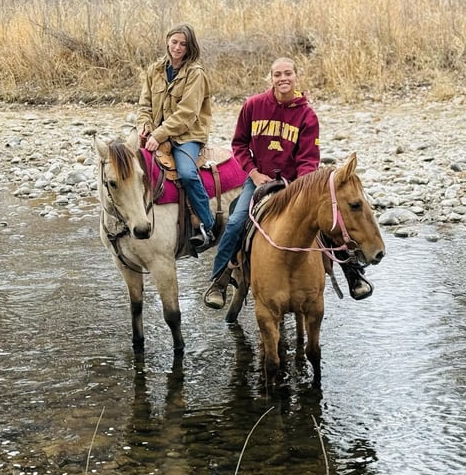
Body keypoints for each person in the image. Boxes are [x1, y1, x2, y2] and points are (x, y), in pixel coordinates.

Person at [203, 57, 373, 309]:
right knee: (237, 221)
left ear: (296, 76)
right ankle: (219, 280)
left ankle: (353, 274)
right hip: (259, 179)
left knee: (326, 219)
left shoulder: (306, 115)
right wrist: (253, 173)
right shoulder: (253, 106)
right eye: (277, 74)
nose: (283, 78)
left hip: (296, 183)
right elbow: (239, 145)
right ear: (270, 78)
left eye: (288, 73)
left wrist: (295, 187)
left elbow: (309, 160)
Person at [137, 23, 215, 250]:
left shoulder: (195, 74)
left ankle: (207, 226)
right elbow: (145, 104)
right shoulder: (155, 70)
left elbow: (187, 114)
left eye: (183, 44)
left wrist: (159, 134)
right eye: (174, 42)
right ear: (167, 41)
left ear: (190, 47)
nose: (178, 47)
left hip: (187, 134)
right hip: (157, 133)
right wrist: (144, 126)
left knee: (187, 173)